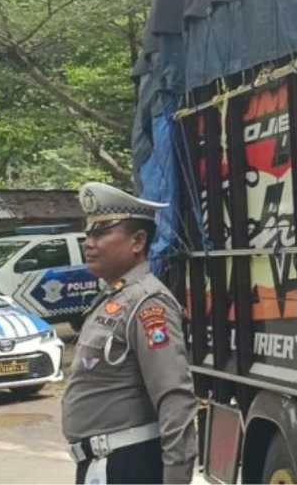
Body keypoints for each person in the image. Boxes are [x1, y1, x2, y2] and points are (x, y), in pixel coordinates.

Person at [62, 182, 197, 484]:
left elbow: (175, 399)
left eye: (101, 233)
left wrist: (175, 479)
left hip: (128, 466)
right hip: (103, 465)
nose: (89, 243)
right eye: (88, 234)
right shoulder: (115, 298)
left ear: (137, 241)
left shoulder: (149, 304)